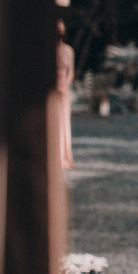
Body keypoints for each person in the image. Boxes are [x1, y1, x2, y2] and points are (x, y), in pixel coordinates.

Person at [56, 20, 75, 169]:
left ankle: (64, 155)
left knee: (63, 122)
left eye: (62, 29)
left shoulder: (68, 50)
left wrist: (64, 85)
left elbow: (70, 72)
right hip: (51, 87)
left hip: (63, 89)